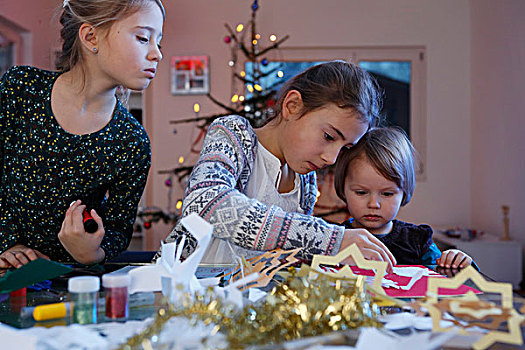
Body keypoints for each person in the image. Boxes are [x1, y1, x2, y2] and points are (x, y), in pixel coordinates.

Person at [160, 61, 397, 270]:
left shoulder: (304, 180)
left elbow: (285, 249)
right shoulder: (232, 134)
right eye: (328, 137)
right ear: (292, 106)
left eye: (345, 148)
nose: (332, 159)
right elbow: (205, 205)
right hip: (188, 296)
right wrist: (328, 239)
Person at [0, 0, 165, 268]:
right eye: (144, 38)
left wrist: (91, 253)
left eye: (159, 42)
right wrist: (7, 243)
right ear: (90, 37)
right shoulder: (21, 89)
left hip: (70, 286)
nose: (157, 54)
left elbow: (118, 230)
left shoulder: (132, 141)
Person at [334, 127, 474, 269]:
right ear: (343, 189)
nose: (373, 204)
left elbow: (447, 277)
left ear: (404, 192)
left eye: (387, 194)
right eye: (361, 192)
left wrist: (456, 261)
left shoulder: (417, 240)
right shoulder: (334, 239)